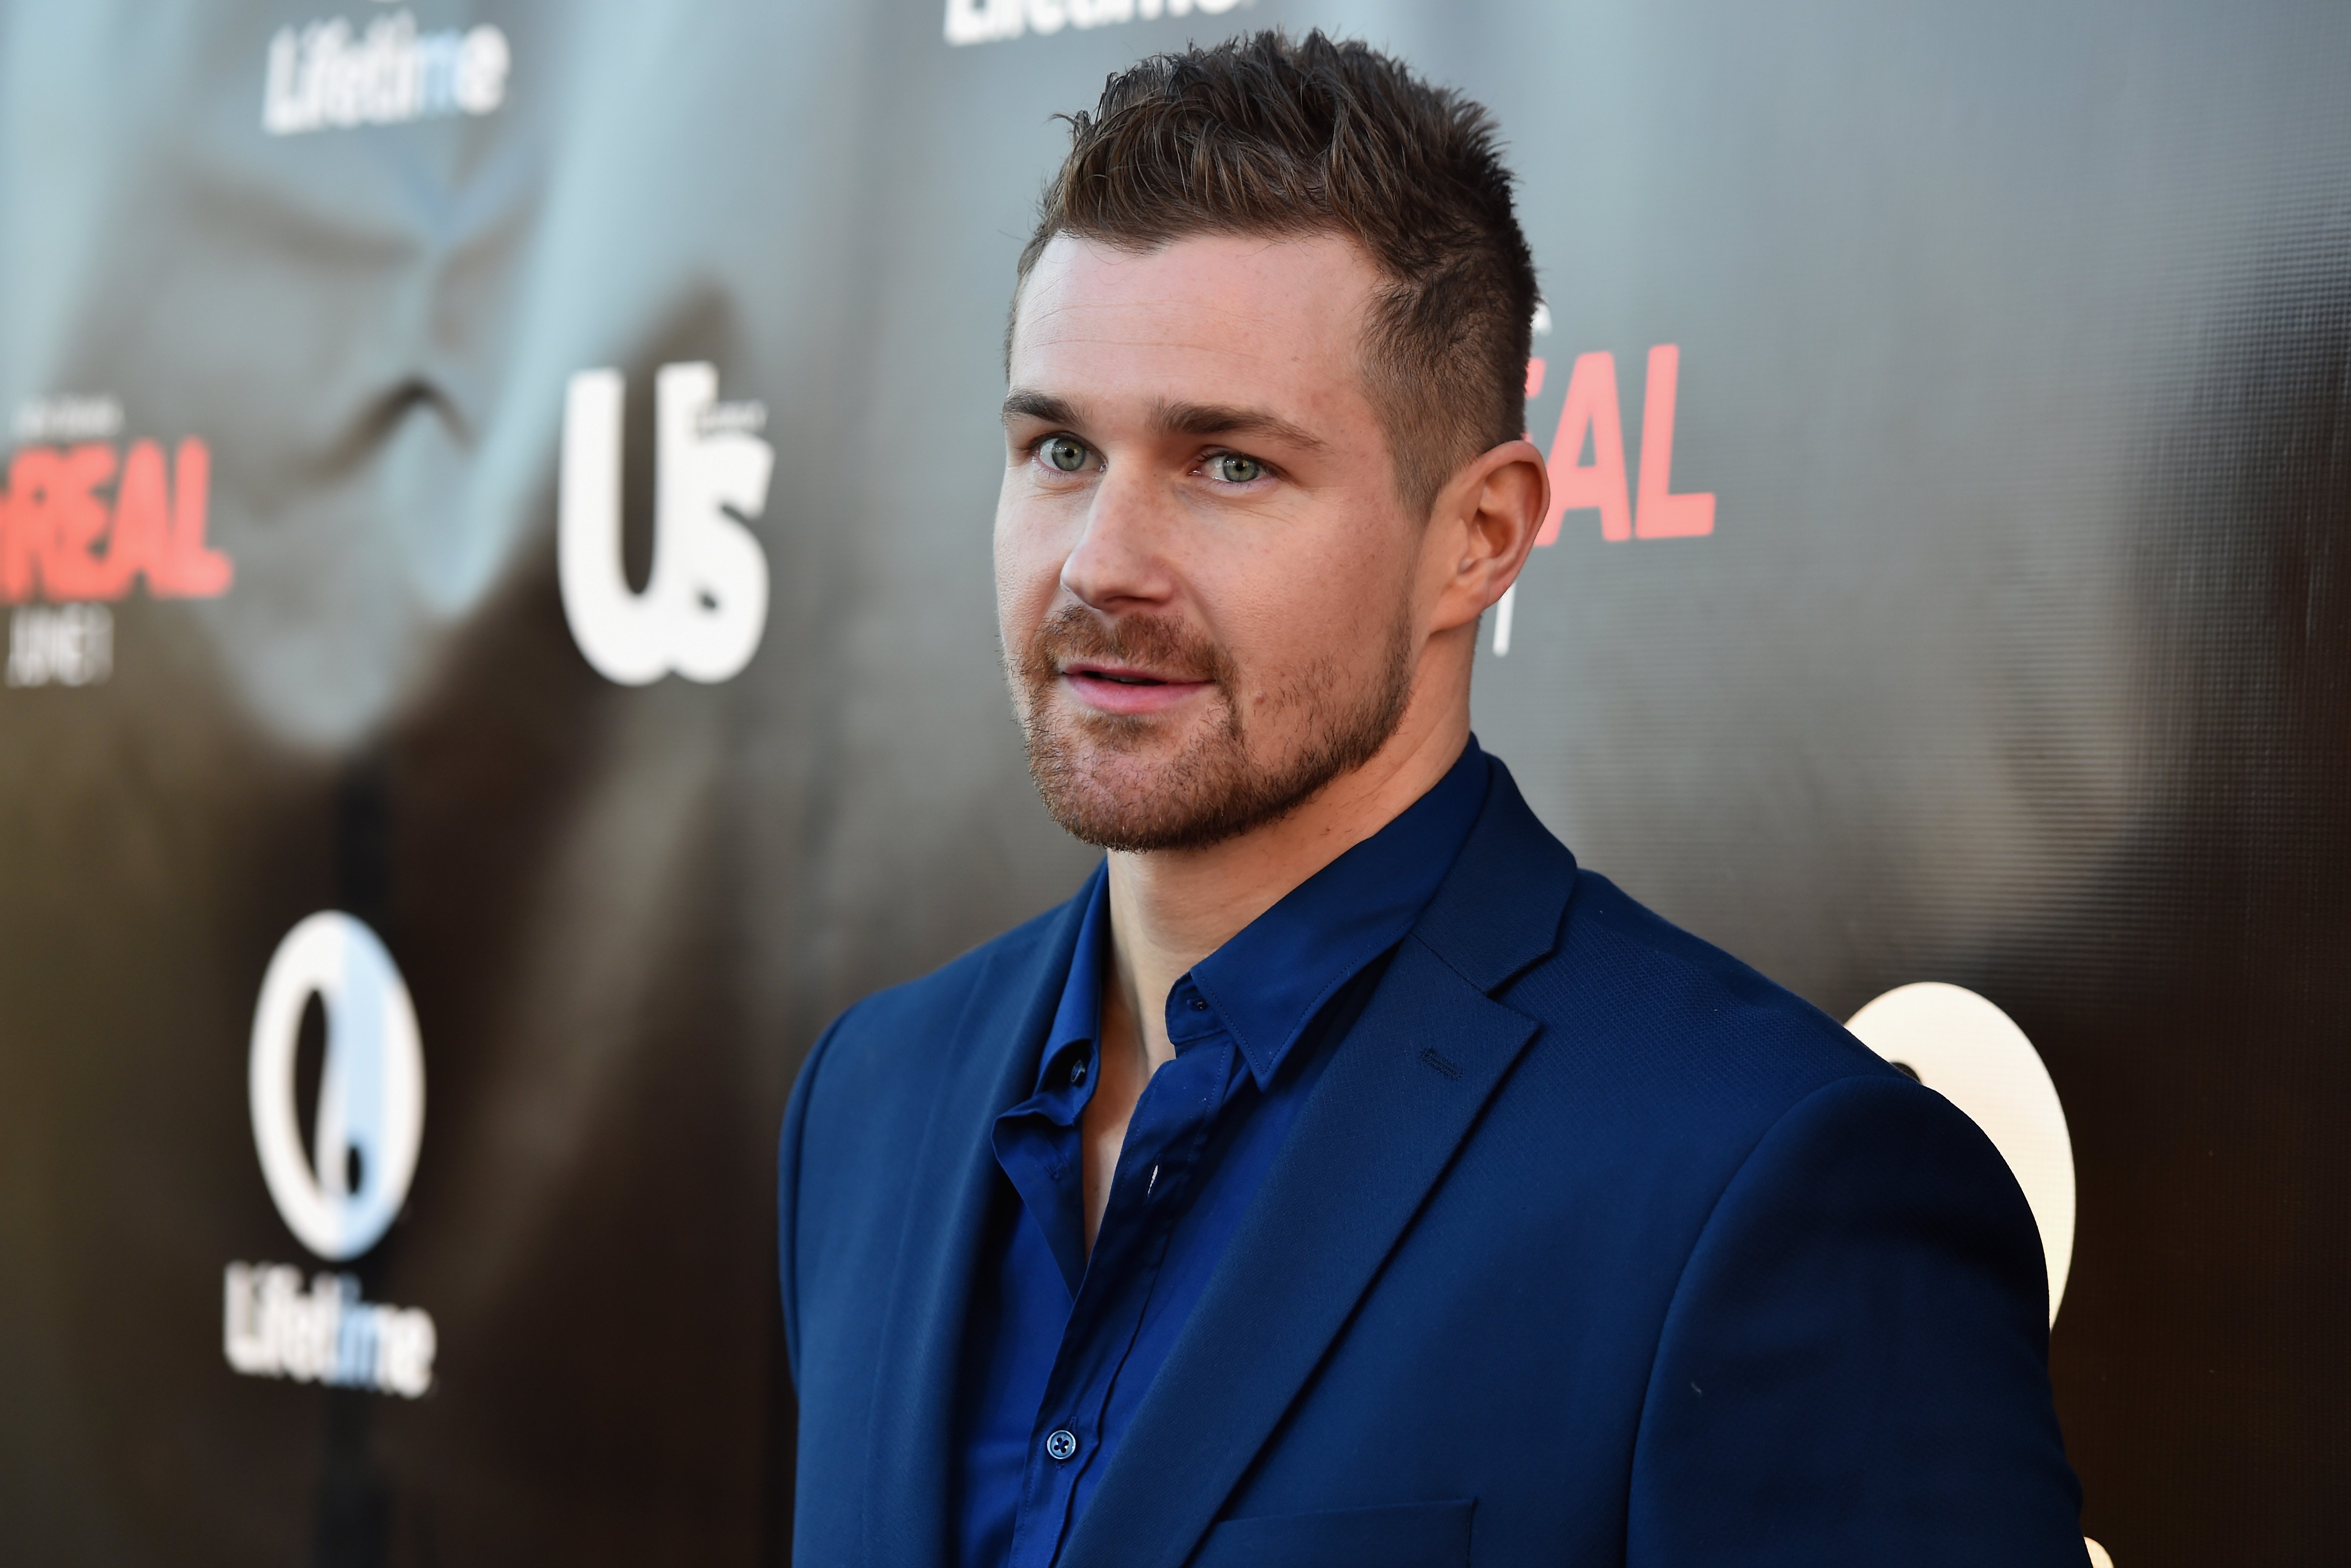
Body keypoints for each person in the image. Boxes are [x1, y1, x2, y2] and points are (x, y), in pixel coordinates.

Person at [780, 30, 2086, 1568]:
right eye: (1060, 448)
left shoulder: (1762, 1182)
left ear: (1480, 534)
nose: (1100, 563)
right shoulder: (871, 1104)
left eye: (1228, 466)